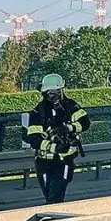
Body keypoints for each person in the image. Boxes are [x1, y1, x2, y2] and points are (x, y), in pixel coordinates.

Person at [25, 74, 89, 204]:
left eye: (58, 92)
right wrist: (54, 147)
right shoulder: (38, 112)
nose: (56, 97)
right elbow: (33, 139)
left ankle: (55, 220)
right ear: (45, 94)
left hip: (64, 160)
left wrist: (68, 128)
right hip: (44, 162)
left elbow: (85, 123)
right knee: (49, 197)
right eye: (51, 94)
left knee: (56, 196)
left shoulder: (71, 106)